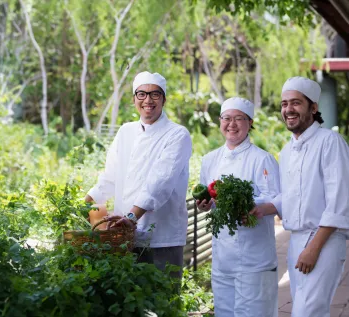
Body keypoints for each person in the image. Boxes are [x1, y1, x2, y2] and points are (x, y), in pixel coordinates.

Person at [251, 76, 349, 317]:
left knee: (308, 312)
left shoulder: (330, 142)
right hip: (296, 240)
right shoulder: (287, 151)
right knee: (307, 309)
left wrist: (313, 248)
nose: (288, 109)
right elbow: (290, 196)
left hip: (324, 239)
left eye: (296, 103)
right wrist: (261, 209)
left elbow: (339, 201)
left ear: (313, 108)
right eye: (284, 104)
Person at [85, 71, 192, 278]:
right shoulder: (126, 131)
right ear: (134, 99)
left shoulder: (177, 134)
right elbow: (110, 177)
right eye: (141, 94)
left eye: (155, 94)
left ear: (164, 99)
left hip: (162, 237)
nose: (148, 100)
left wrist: (132, 216)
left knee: (164, 301)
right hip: (123, 235)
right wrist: (82, 205)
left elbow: (160, 182)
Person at [196, 97, 280, 317]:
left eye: (239, 118)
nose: (231, 124)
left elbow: (278, 200)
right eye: (227, 118)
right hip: (222, 260)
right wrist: (204, 205)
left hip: (255, 260)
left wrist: (254, 207)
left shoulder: (263, 159)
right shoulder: (209, 160)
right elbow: (208, 199)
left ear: (250, 122)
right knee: (224, 313)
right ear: (220, 121)